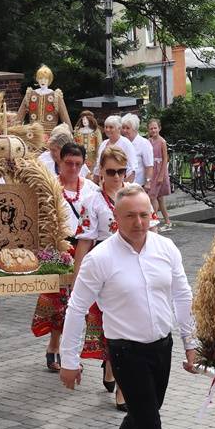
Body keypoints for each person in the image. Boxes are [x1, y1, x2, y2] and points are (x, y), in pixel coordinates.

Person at [59, 184, 197, 429]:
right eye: (130, 216)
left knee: (142, 414)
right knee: (150, 426)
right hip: (125, 352)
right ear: (115, 219)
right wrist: (69, 360)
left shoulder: (166, 249)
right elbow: (76, 307)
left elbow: (182, 295)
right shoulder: (100, 259)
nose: (139, 222)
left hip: (161, 348)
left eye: (144, 214)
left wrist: (191, 343)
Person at [75, 146, 133, 410]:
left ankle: (122, 384)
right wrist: (78, 279)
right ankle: (113, 368)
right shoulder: (93, 201)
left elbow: (150, 231)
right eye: (111, 172)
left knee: (128, 326)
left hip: (132, 264)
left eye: (121, 171)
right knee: (111, 325)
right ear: (101, 172)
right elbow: (84, 242)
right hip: (105, 268)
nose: (117, 177)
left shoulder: (135, 194)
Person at [33, 143, 98, 372]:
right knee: (58, 300)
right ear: (59, 162)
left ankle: (74, 350)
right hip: (58, 248)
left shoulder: (91, 188)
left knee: (84, 301)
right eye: (69, 163)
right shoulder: (49, 186)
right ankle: (54, 345)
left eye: (78, 164)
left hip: (85, 248)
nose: (73, 168)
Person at [146, 118, 172, 231]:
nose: (153, 130)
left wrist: (161, 175)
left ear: (159, 128)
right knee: (160, 198)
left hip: (159, 170)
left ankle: (153, 220)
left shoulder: (162, 142)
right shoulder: (148, 141)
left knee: (152, 196)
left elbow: (165, 158)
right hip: (152, 170)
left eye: (155, 128)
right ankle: (168, 221)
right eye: (151, 128)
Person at [95, 115, 134, 183]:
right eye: (106, 127)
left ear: (119, 128)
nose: (107, 129)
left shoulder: (126, 144)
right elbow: (98, 166)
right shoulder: (103, 144)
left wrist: (125, 186)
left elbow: (132, 168)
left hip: (119, 182)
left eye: (111, 127)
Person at [121, 114, 154, 189]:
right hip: (122, 183)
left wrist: (148, 182)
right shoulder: (122, 142)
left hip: (138, 184)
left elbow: (149, 165)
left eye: (128, 128)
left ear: (135, 129)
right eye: (123, 128)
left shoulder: (144, 143)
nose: (124, 130)